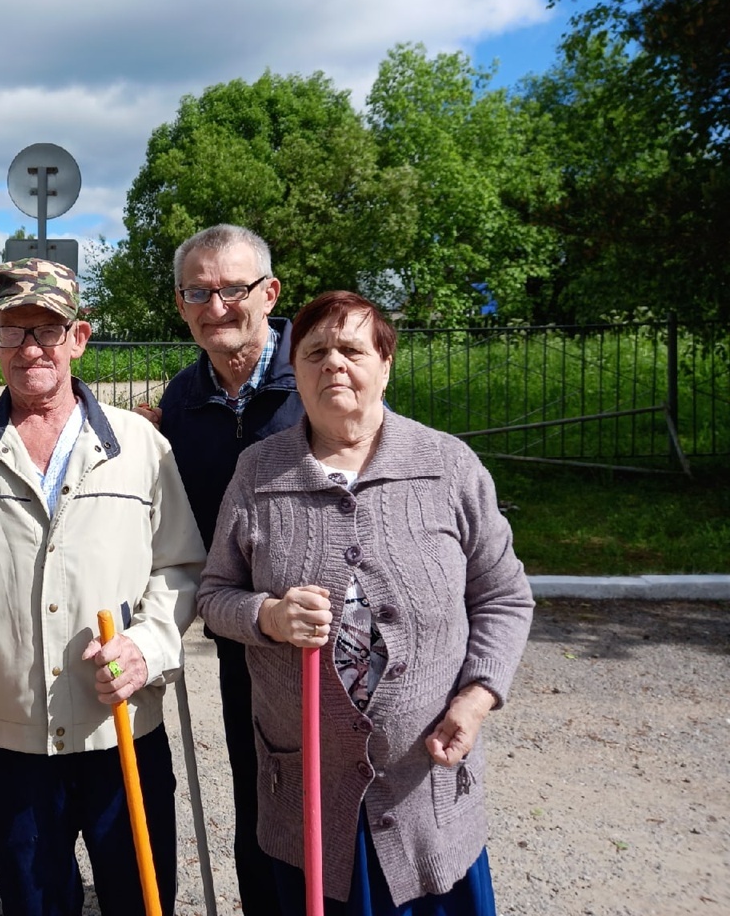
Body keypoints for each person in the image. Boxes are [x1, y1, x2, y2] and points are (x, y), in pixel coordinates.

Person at [196, 290, 534, 914]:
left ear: (385, 365)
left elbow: (504, 595)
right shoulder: (258, 472)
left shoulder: (447, 465)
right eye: (315, 353)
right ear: (296, 372)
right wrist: (268, 616)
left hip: (424, 789)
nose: (333, 364)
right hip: (310, 792)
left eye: (352, 350)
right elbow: (215, 595)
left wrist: (477, 697)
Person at [0, 258, 205, 916]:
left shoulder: (140, 445)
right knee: (35, 902)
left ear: (79, 337)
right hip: (7, 732)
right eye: (12, 330)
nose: (30, 347)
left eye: (48, 329)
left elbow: (180, 567)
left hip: (121, 724)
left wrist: (147, 649)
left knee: (140, 898)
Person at [136, 223, 302, 916]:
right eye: (198, 292)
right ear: (181, 305)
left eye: (233, 288)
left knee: (344, 794)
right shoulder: (181, 399)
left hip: (331, 632)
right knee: (259, 787)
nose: (217, 306)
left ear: (269, 292)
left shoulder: (316, 375)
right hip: (242, 632)